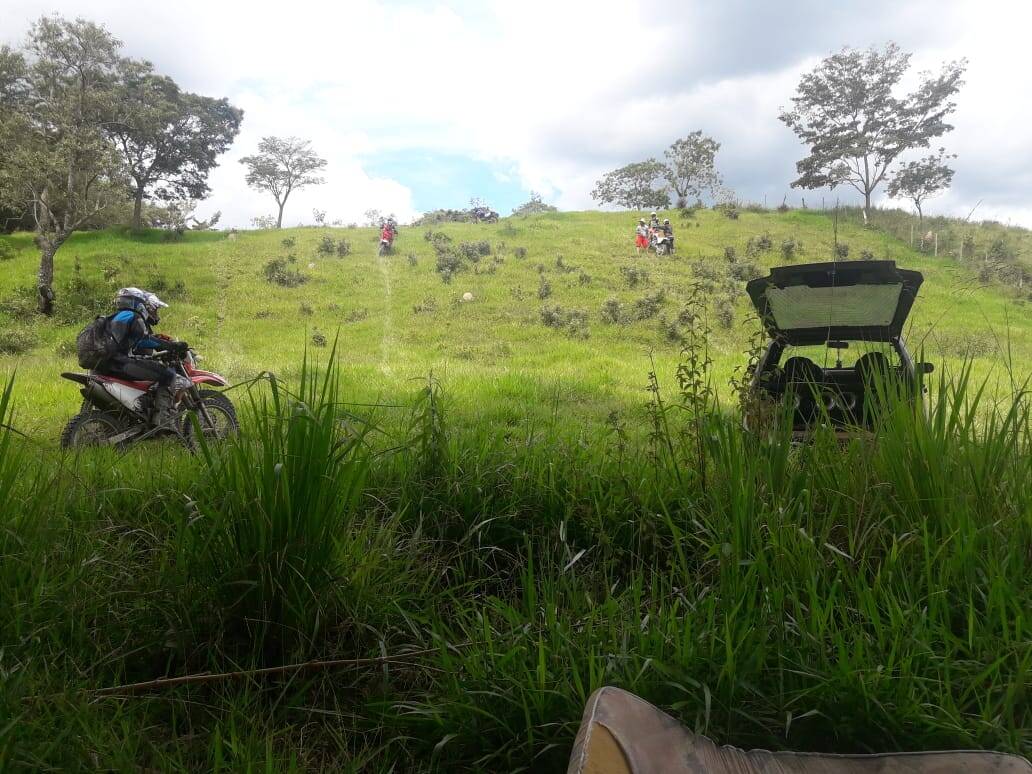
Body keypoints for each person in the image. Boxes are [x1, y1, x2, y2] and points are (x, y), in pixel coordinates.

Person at [96, 287, 188, 428]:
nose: (153, 312)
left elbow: (137, 343)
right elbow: (144, 340)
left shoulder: (116, 317)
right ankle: (163, 422)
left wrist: (161, 343)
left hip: (104, 365)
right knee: (168, 374)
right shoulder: (133, 317)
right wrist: (170, 346)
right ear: (139, 304)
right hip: (119, 363)